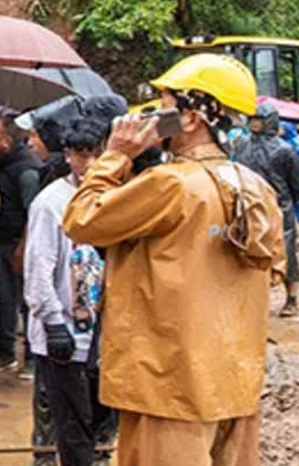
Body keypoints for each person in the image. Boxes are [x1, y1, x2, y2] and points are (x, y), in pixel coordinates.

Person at [63, 54, 286, 466]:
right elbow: (273, 268)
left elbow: (81, 220)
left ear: (191, 118)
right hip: (236, 385)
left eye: (164, 105)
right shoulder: (257, 188)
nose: (153, 116)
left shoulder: (169, 185)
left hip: (170, 387)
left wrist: (115, 156)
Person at [25, 118, 117, 466]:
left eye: (96, 154)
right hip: (63, 331)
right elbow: (38, 269)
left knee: (102, 419)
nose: (89, 164)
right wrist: (52, 322)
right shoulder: (50, 203)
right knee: (71, 425)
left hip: (102, 329)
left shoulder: (115, 197)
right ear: (67, 156)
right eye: (80, 155)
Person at [0, 115, 43, 377]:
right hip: (2, 239)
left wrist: (23, 249)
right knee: (4, 299)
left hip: (21, 243)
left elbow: (34, 214)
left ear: (6, 140)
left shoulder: (27, 171)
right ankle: (6, 352)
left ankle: (32, 356)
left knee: (28, 301)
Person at [233, 103, 299, 317]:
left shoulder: (284, 149)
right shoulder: (242, 145)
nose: (254, 123)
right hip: (251, 205)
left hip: (280, 207)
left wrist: (289, 206)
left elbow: (294, 182)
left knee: (286, 254)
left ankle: (292, 297)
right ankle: (251, 298)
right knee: (249, 250)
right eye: (252, 118)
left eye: (258, 119)